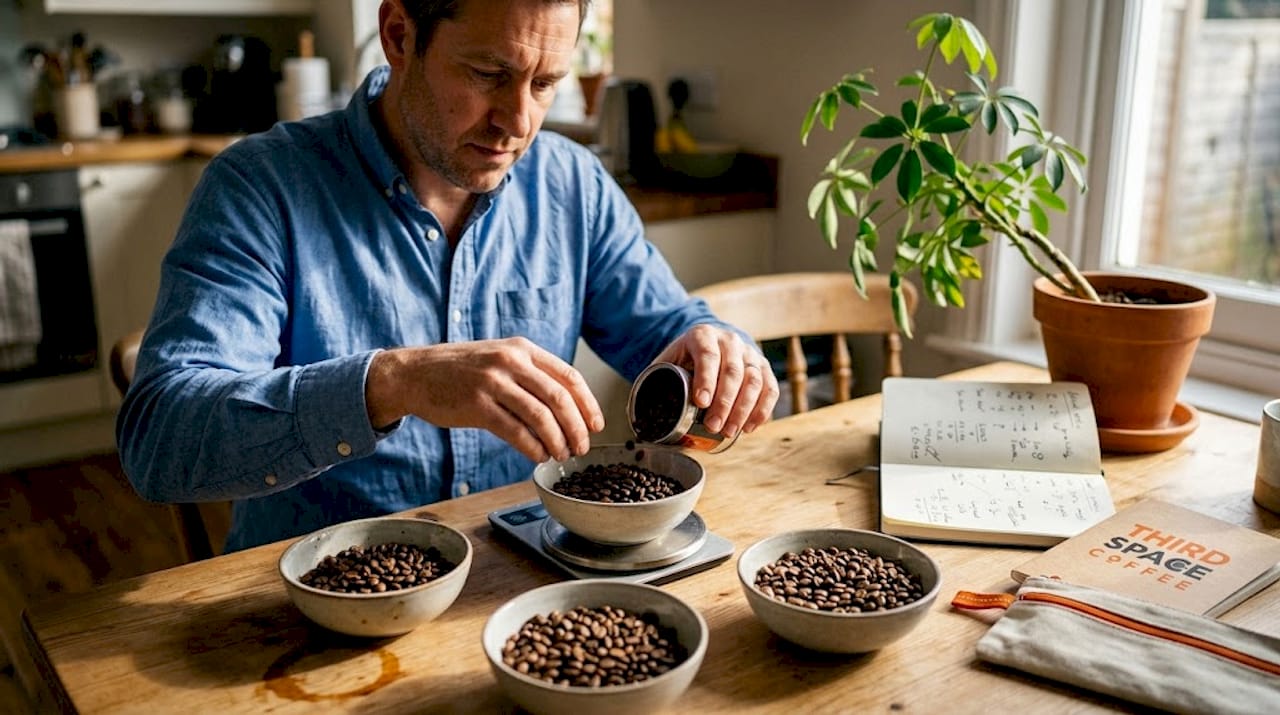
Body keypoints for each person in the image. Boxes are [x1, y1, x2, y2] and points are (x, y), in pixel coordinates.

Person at [117, 0, 779, 552]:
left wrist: (714, 344)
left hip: (520, 579)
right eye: (490, 72)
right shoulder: (260, 188)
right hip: (315, 599)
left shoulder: (572, 185)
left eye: (546, 83)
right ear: (400, 36)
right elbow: (159, 439)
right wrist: (392, 383)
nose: (519, 122)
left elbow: (666, 330)